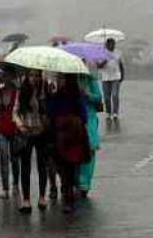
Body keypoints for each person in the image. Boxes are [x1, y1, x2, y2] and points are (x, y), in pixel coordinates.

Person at [47, 74, 89, 214]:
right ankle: (66, 193)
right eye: (59, 78)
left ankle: (68, 198)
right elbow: (50, 112)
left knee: (70, 168)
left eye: (63, 78)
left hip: (73, 138)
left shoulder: (77, 97)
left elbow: (84, 117)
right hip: (58, 137)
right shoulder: (55, 96)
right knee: (61, 167)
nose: (59, 81)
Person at [13, 69, 49, 214]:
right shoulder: (22, 91)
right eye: (31, 75)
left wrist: (43, 123)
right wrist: (21, 125)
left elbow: (49, 112)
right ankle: (26, 199)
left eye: (36, 76)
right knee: (25, 166)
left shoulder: (45, 91)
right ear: (27, 77)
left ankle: (42, 196)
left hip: (40, 132)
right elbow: (15, 111)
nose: (33, 78)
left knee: (42, 165)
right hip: (26, 132)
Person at [0, 69, 20, 199]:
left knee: (14, 158)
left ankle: (16, 183)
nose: (6, 78)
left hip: (15, 129)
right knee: (3, 157)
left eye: (9, 75)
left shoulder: (18, 93)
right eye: (5, 75)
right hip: (0, 129)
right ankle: (5, 188)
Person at [77, 72, 102, 198]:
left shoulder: (90, 78)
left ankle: (85, 183)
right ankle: (77, 181)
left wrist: (87, 94)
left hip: (90, 117)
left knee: (90, 149)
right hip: (74, 118)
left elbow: (98, 97)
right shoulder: (69, 76)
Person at [98, 38, 125, 121]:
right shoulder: (102, 53)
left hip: (116, 76)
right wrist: (105, 60)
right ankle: (109, 113)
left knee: (115, 95)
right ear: (107, 45)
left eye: (114, 44)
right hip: (105, 77)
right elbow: (98, 66)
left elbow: (121, 65)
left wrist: (122, 75)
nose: (113, 46)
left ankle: (115, 113)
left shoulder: (118, 53)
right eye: (110, 44)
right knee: (106, 97)